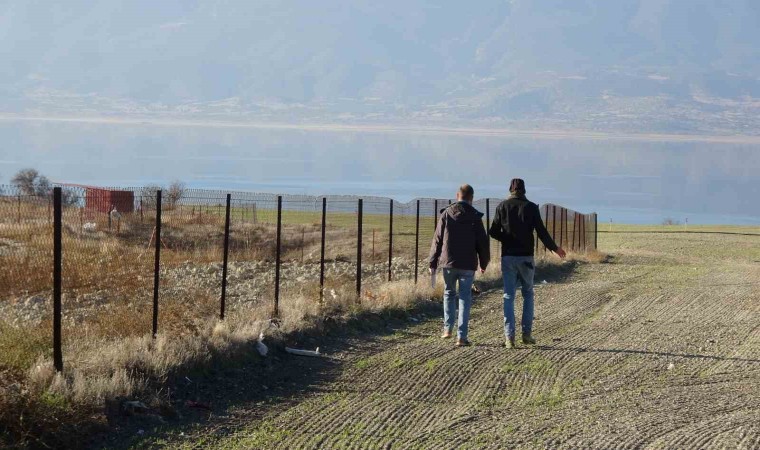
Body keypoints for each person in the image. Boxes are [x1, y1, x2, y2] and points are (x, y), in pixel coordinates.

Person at [489, 178, 566, 349]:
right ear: (524, 190)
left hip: (508, 256)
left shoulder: (502, 206)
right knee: (528, 294)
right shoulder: (531, 207)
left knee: (508, 296)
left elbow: (493, 231)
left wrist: (507, 238)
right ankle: (527, 334)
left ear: (510, 189)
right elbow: (541, 231)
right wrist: (555, 248)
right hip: (526, 257)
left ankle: (509, 337)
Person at [429, 184, 490, 347]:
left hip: (448, 263)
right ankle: (461, 337)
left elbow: (437, 239)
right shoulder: (475, 216)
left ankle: (447, 329)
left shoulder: (446, 213)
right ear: (472, 198)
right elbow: (482, 242)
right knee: (464, 298)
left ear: (457, 195)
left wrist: (432, 262)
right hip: (468, 264)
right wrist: (484, 262)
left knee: (449, 293)